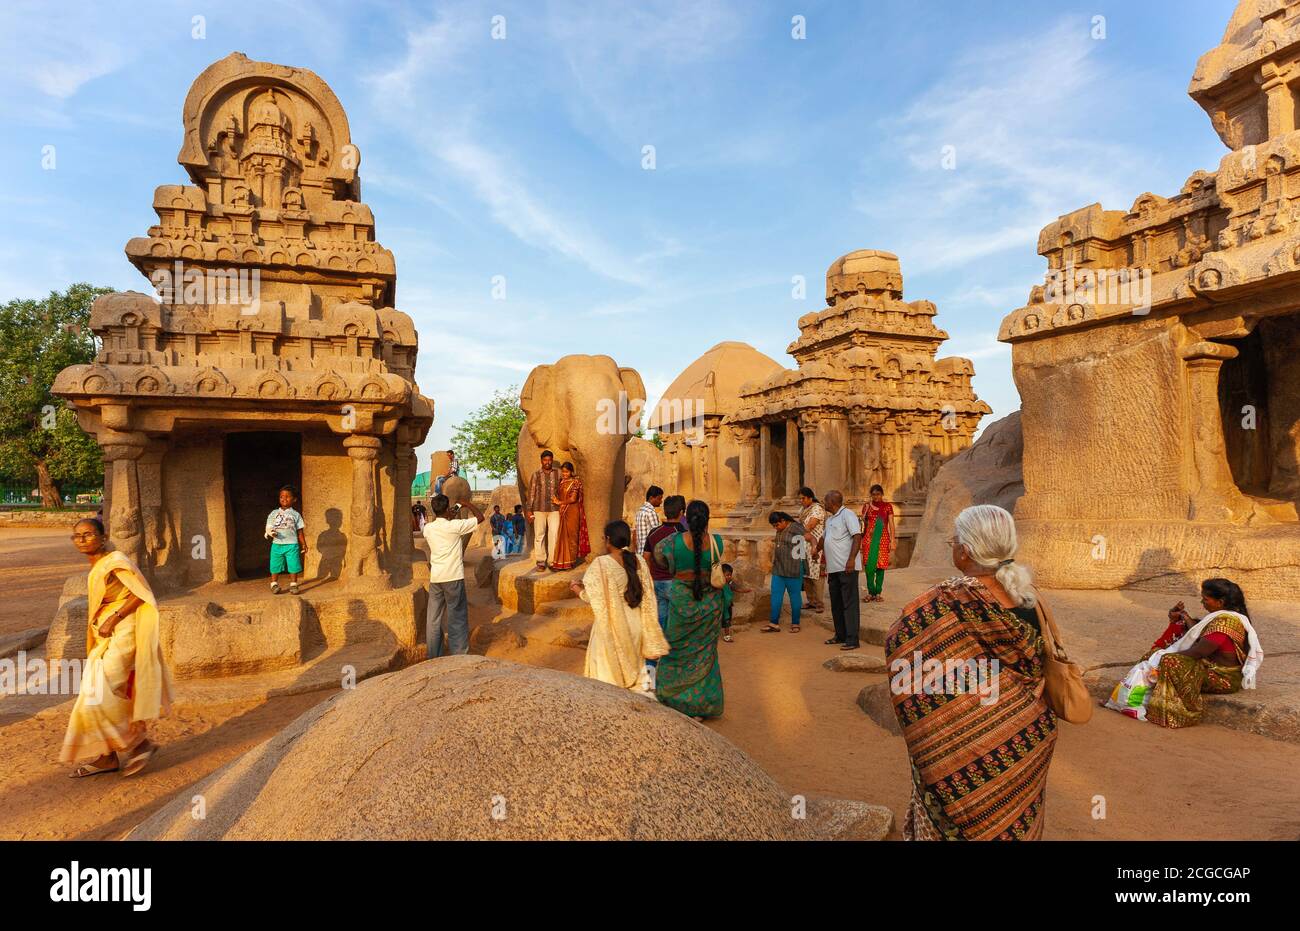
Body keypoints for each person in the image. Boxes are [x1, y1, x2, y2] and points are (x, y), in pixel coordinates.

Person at [887, 504, 1057, 840]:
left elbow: (902, 645)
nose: (953, 547)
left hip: (956, 760)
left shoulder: (944, 602)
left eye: (954, 542)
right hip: (1025, 741)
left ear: (965, 552)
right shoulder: (1029, 600)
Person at [61, 518, 172, 778]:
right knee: (96, 692)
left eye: (88, 534)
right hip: (106, 637)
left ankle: (138, 743)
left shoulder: (116, 561)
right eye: (77, 536)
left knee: (101, 691)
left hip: (123, 631)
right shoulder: (98, 566)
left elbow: (141, 592)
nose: (82, 540)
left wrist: (114, 617)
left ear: (103, 535)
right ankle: (107, 756)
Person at [1106, 578, 1264, 728]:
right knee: (1154, 655)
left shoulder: (1225, 623)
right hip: (1208, 666)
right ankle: (1140, 699)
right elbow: (1198, 632)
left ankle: (1178, 713)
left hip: (1223, 678)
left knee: (1170, 662)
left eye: (1206, 599)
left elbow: (1197, 651)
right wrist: (1182, 618)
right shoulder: (1220, 617)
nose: (1202, 603)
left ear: (1220, 602)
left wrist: (1163, 658)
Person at [570, 520, 670, 695]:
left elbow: (594, 598)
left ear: (608, 540)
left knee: (607, 681)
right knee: (635, 675)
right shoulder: (638, 560)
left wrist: (577, 589)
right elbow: (647, 593)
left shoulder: (601, 564)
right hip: (636, 625)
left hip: (613, 626)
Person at [652, 499, 726, 719]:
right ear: (707, 519)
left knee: (675, 650)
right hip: (709, 605)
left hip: (682, 601)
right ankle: (701, 705)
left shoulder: (671, 542)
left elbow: (659, 559)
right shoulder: (717, 542)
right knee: (705, 653)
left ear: (687, 517)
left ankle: (672, 698)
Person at [422, 493, 484, 658]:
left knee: (433, 620)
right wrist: (466, 504)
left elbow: (442, 525)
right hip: (453, 577)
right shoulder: (455, 526)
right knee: (457, 616)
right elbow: (480, 517)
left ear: (433, 509)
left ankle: (434, 655)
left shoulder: (427, 528)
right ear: (446, 508)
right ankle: (459, 654)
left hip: (436, 579)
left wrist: (448, 515)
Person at [815, 490, 862, 651]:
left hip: (846, 566)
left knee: (849, 603)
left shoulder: (847, 515)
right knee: (836, 603)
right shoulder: (830, 519)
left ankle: (852, 639)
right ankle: (840, 634)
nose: (824, 503)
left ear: (833, 502)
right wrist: (816, 550)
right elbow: (824, 538)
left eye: (826, 501)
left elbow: (857, 536)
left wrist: (851, 559)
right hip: (833, 568)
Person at [643, 495, 685, 661]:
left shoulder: (654, 532)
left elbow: (646, 556)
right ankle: (675, 652)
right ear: (681, 512)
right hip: (674, 581)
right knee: (678, 617)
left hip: (657, 580)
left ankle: (659, 650)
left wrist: (650, 576)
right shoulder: (682, 533)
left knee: (661, 615)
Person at [760, 511, 806, 634]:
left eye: (777, 525)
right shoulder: (780, 530)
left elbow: (809, 537)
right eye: (774, 526)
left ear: (783, 521)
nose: (775, 528)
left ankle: (795, 623)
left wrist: (814, 550)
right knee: (776, 596)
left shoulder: (796, 528)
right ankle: (774, 623)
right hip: (778, 569)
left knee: (794, 597)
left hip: (793, 569)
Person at [264, 484, 307, 595]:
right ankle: (274, 584)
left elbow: (300, 531)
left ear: (294, 499)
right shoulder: (274, 513)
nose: (284, 499)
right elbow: (269, 526)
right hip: (277, 544)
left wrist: (303, 544)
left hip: (292, 545)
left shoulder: (296, 515)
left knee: (293, 564)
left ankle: (293, 585)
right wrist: (270, 532)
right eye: (282, 496)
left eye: (287, 496)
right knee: (275, 564)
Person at [549, 462, 590, 571]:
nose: (564, 474)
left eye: (567, 472)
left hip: (572, 511)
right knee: (562, 537)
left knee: (571, 537)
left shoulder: (575, 482)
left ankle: (570, 563)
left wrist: (559, 502)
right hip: (563, 511)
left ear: (571, 471)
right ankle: (560, 563)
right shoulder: (561, 482)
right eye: (563, 472)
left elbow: (573, 499)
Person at [525, 450, 561, 571]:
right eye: (545, 460)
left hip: (554, 509)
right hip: (538, 509)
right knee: (539, 535)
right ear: (541, 461)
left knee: (554, 535)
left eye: (550, 460)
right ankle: (540, 561)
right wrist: (529, 510)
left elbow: (563, 488)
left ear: (552, 460)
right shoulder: (536, 475)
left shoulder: (558, 474)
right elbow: (531, 493)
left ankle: (552, 561)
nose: (548, 462)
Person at [860, 484, 897, 603]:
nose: (876, 497)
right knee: (869, 566)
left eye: (878, 494)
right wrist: (861, 540)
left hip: (883, 539)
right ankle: (871, 592)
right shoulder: (866, 507)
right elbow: (863, 525)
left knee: (880, 566)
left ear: (882, 494)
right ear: (871, 495)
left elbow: (891, 524)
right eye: (874, 494)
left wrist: (893, 540)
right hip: (868, 540)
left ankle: (878, 592)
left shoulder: (887, 507)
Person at [798, 488, 827, 613]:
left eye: (803, 498)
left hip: (816, 547)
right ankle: (811, 601)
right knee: (806, 575)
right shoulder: (803, 510)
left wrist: (796, 530)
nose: (801, 501)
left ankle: (819, 603)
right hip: (804, 546)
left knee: (817, 575)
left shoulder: (817, 509)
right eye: (800, 498)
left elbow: (809, 526)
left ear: (810, 498)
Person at [632, 485, 664, 557]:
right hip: (648, 554)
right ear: (651, 498)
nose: (661, 501)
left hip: (639, 553)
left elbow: (635, 534)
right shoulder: (650, 512)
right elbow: (656, 535)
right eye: (659, 499)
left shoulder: (639, 511)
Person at [720, 563, 749, 644]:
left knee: (727, 621)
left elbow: (737, 589)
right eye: (727, 575)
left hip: (728, 605)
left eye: (730, 575)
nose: (729, 577)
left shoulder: (730, 583)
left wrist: (745, 591)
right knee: (719, 620)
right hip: (721, 606)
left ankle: (727, 636)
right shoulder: (719, 584)